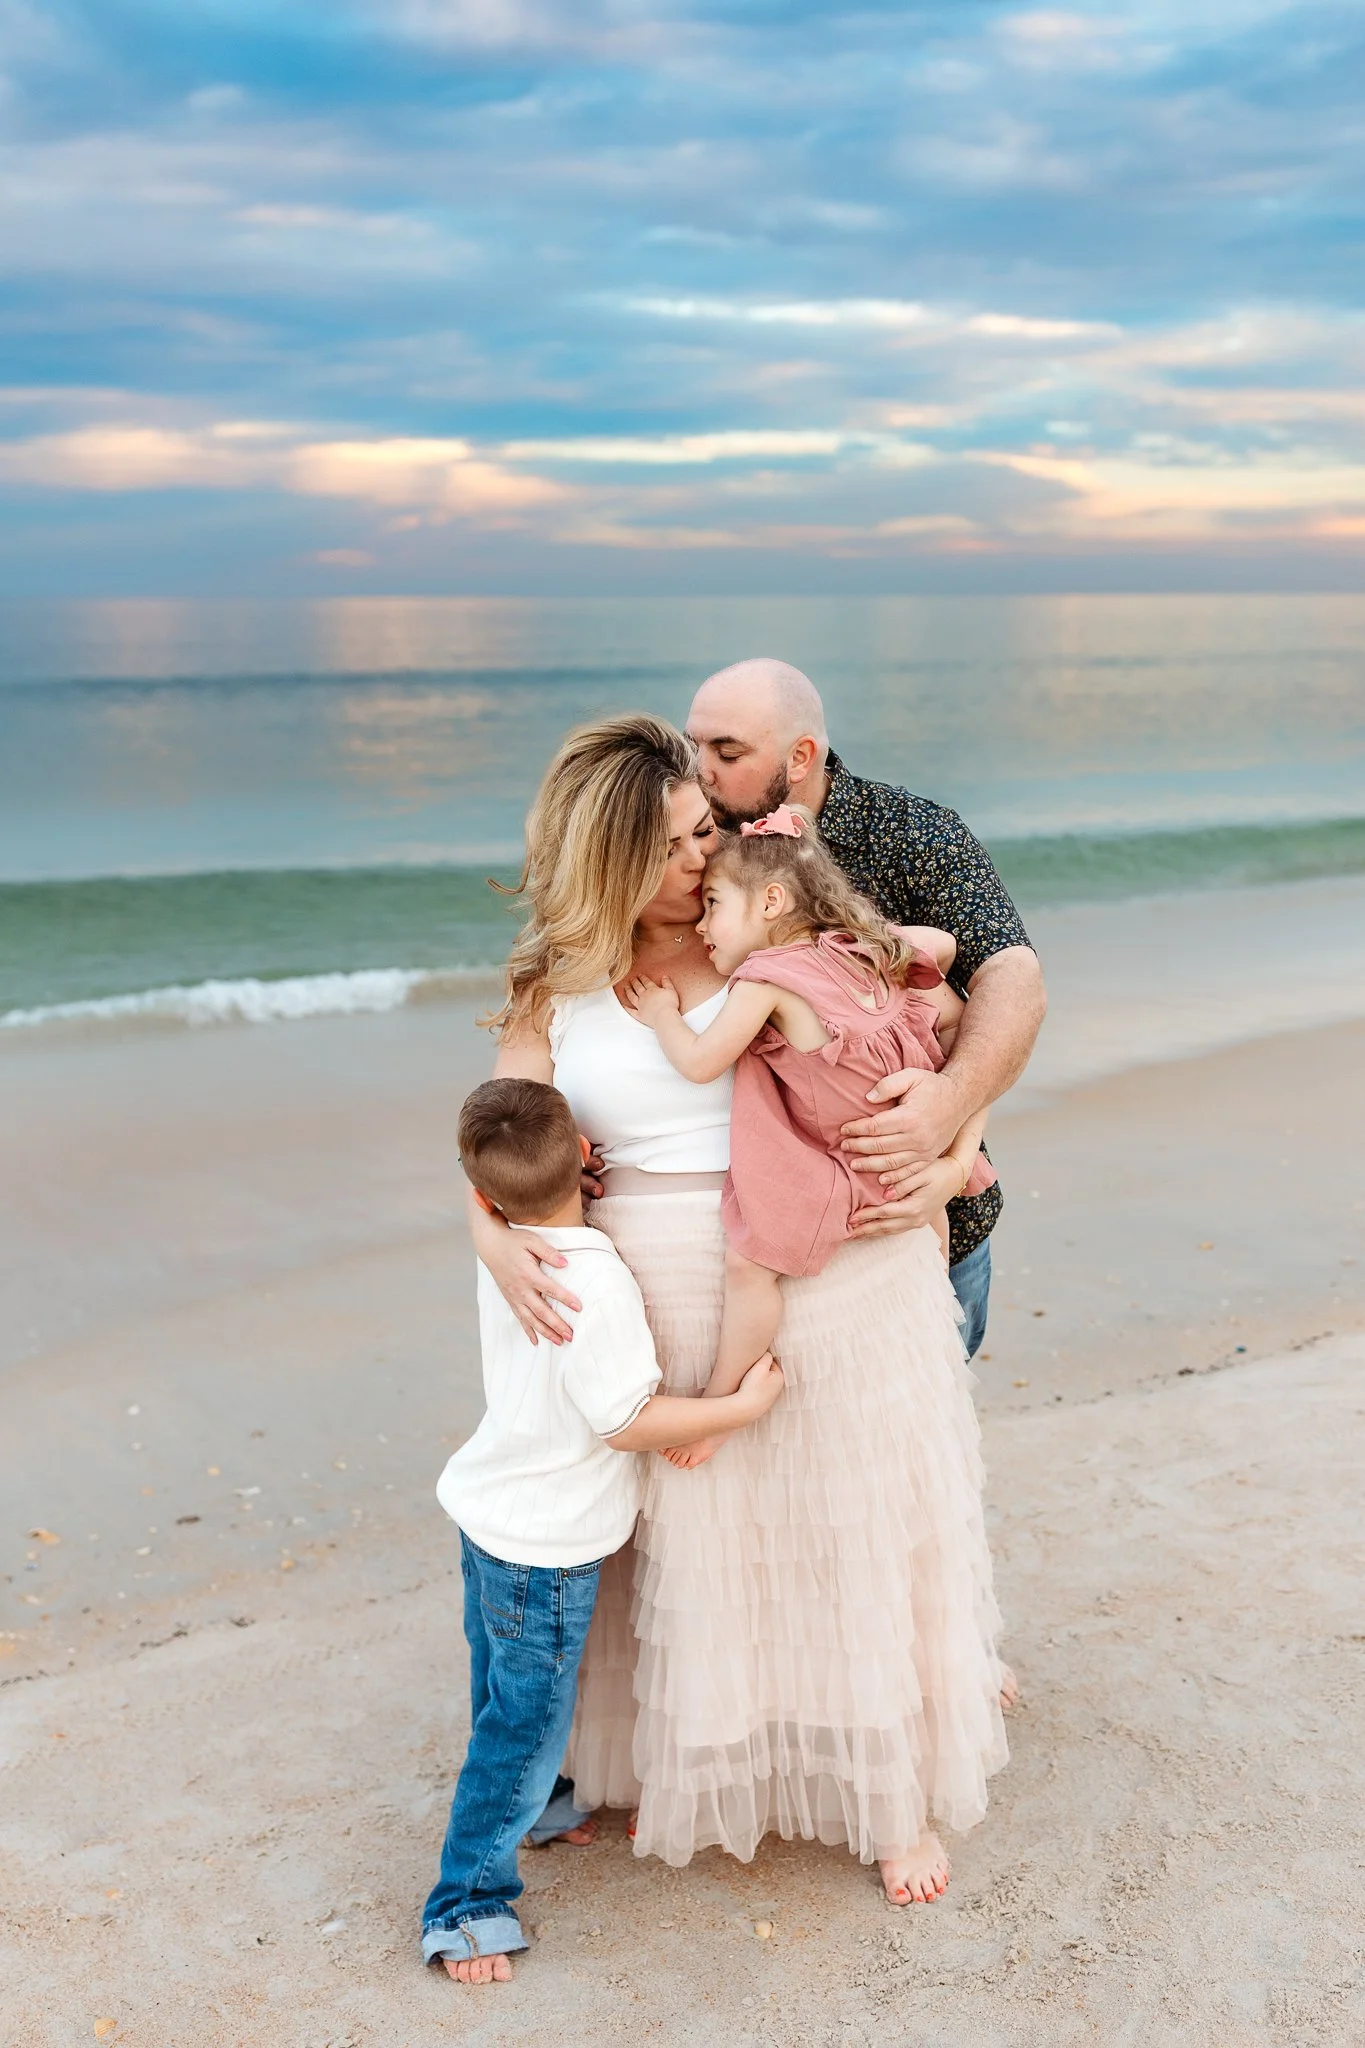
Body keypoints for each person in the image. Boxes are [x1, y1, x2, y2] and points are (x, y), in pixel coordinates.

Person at [471, 714, 1007, 1910]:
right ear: (609, 859)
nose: (702, 857)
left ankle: (887, 1795)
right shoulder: (560, 989)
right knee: (692, 1549)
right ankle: (680, 1762)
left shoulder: (783, 934)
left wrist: (950, 1127)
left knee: (846, 1529)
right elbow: (492, 1141)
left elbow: (936, 1026)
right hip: (657, 1286)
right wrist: (489, 1239)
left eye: (704, 827)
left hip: (834, 1265)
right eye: (672, 844)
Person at [423, 1075, 783, 1986]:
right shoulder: (597, 1285)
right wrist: (733, 1409)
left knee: (500, 1691)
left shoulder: (503, 1248)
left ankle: (539, 1808)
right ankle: (464, 1906)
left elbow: (500, 1196)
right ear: (589, 1155)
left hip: (489, 1510)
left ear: (480, 1194)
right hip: (545, 1545)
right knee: (523, 1722)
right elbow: (624, 1420)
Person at [686, 657, 1047, 1358]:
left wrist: (949, 1102)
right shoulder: (690, 840)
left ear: (799, 757)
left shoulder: (912, 833)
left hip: (911, 1215)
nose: (701, 769)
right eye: (693, 745)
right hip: (749, 1242)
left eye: (726, 752)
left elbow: (1010, 977)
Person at [624, 801, 997, 1467]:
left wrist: (660, 1014)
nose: (703, 922)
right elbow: (940, 948)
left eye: (713, 903)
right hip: (915, 1153)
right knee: (928, 1234)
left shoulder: (765, 979)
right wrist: (882, 938)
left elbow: (700, 1063)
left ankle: (717, 1404)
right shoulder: (851, 952)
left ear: (770, 901)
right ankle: (934, 1305)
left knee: (748, 1267)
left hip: (853, 1161)